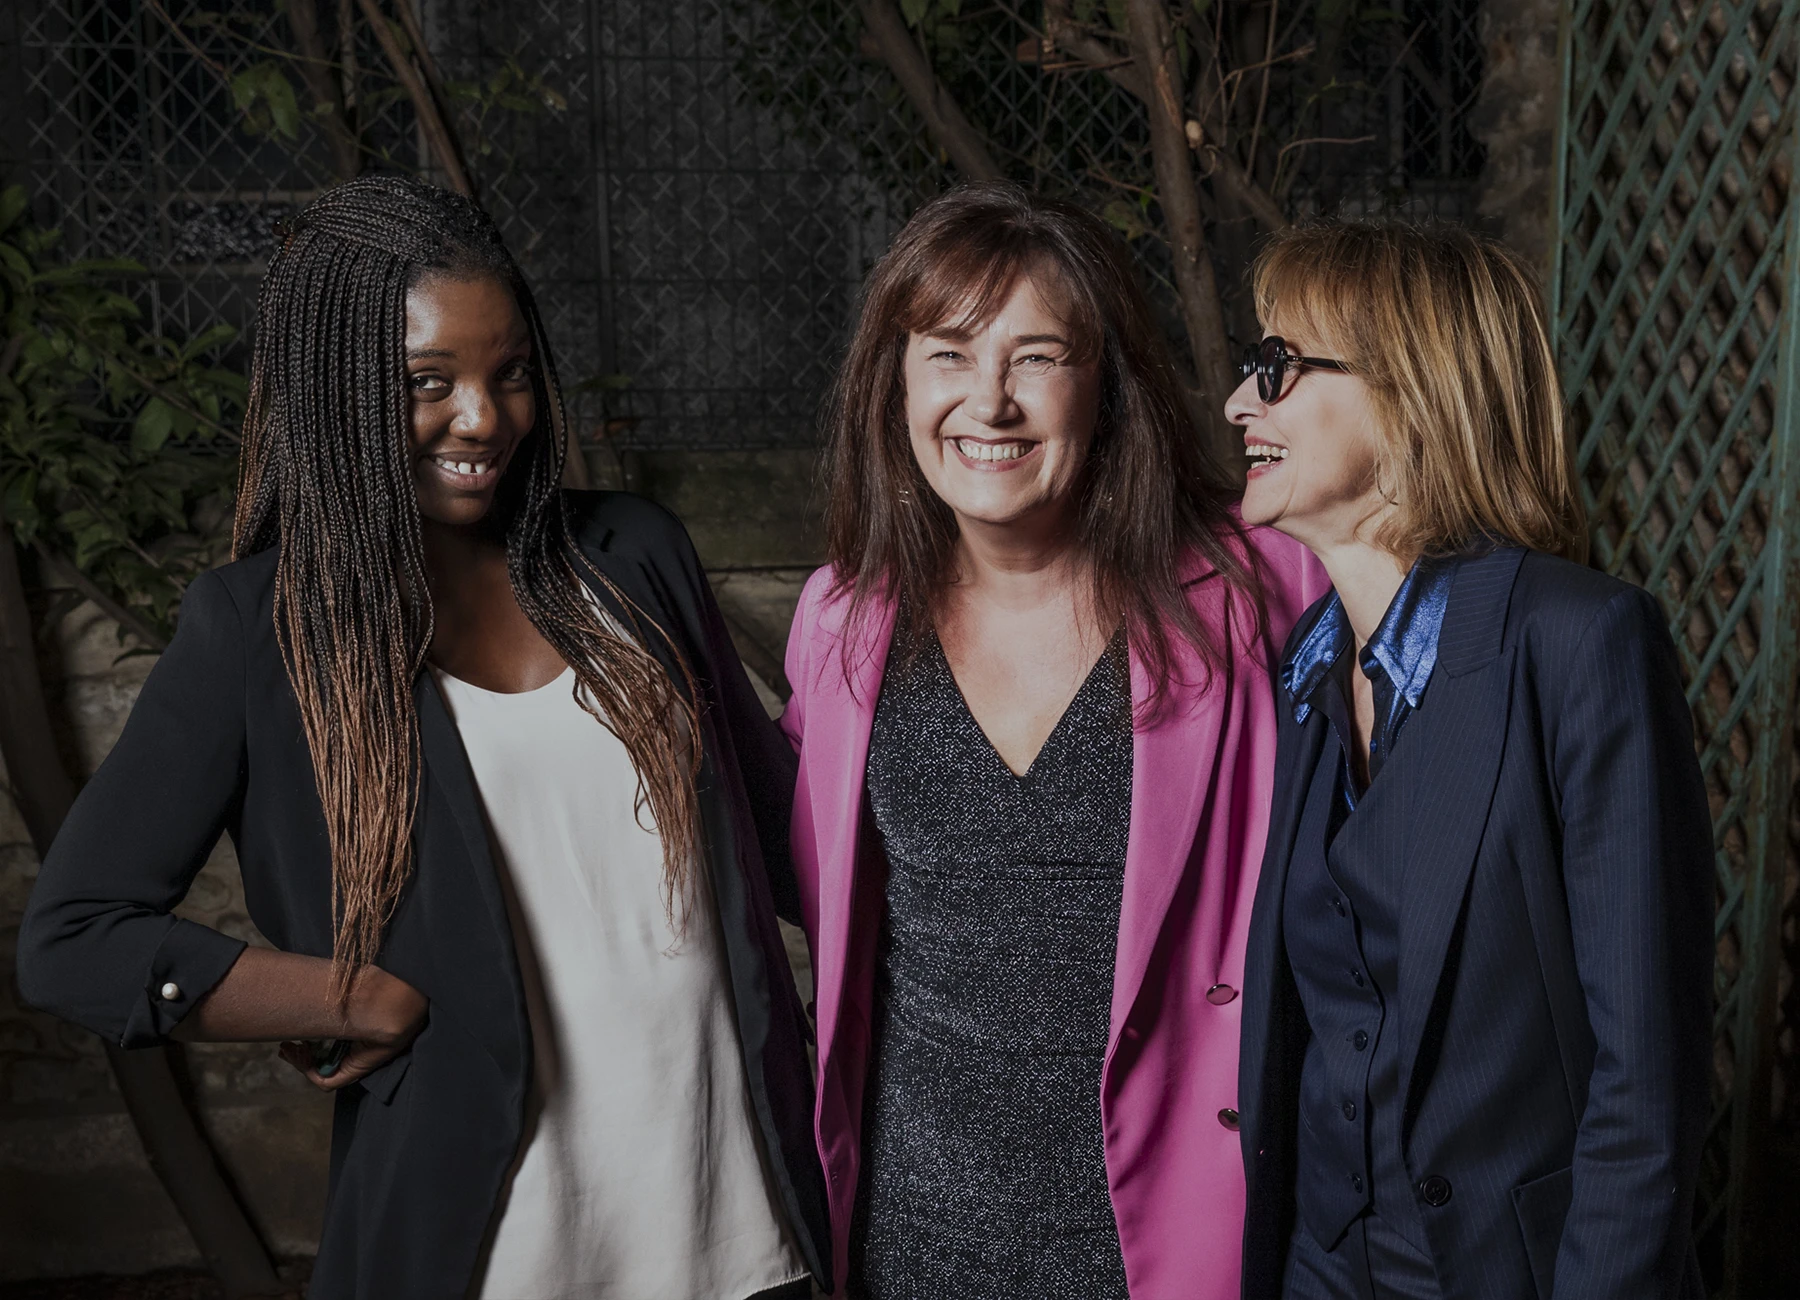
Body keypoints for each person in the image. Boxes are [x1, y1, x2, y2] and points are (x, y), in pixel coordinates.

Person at [16, 176, 827, 1300]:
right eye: (426, 383)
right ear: (337, 392)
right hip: (493, 1257)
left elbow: (799, 838)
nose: (483, 418)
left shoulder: (633, 557)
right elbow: (72, 937)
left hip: (746, 1238)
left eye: (512, 374)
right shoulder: (263, 634)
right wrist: (344, 997)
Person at [779, 182, 1326, 1300]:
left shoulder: (1263, 584)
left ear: (1105, 385)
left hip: (1172, 1242)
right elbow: (799, 879)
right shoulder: (842, 617)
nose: (990, 402)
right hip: (910, 1242)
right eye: (947, 354)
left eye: (1036, 357)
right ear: (896, 383)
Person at [1229, 221, 1712, 1300]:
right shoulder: (1303, 670)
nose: (1237, 403)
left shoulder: (1580, 641)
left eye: (1277, 366)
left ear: (1409, 393)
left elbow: (1649, 1083)